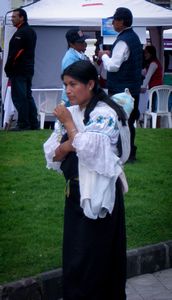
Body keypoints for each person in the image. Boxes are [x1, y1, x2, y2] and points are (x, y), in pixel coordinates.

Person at [43, 60, 132, 300]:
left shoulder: (105, 113)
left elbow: (90, 150)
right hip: (74, 194)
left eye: (73, 84)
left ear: (91, 84)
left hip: (99, 196)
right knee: (75, 258)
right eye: (65, 85)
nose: (68, 90)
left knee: (97, 260)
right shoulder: (72, 110)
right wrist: (71, 144)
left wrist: (70, 128)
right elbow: (53, 152)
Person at [98, 7, 142, 162]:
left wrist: (103, 56)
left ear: (122, 22)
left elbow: (113, 66)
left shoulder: (123, 40)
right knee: (129, 122)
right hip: (133, 87)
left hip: (121, 89)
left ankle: (125, 152)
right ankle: (130, 152)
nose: (113, 23)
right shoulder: (134, 38)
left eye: (115, 20)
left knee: (120, 121)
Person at [4, 8, 39, 131]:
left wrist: (7, 67)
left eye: (14, 17)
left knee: (20, 97)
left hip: (19, 70)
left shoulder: (22, 32)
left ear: (22, 18)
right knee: (27, 96)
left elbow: (16, 53)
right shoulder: (29, 31)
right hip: (27, 69)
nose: (12, 19)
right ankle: (33, 123)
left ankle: (23, 123)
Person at [61, 28, 89, 107]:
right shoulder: (69, 59)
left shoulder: (80, 55)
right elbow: (71, 81)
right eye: (80, 42)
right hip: (72, 97)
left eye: (84, 41)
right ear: (71, 44)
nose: (84, 44)